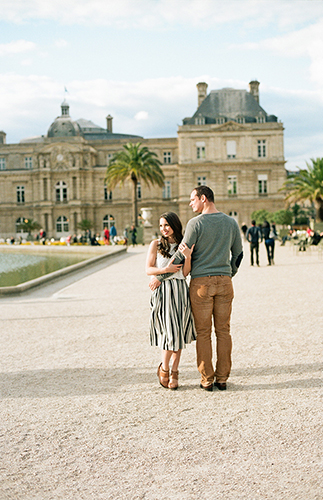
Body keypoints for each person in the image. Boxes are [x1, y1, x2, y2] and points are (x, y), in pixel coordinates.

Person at [150, 186, 243, 391]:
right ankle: (222, 378)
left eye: (193, 199)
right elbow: (238, 254)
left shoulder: (196, 223)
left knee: (203, 333)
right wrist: (230, 273)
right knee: (224, 331)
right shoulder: (230, 223)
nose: (191, 203)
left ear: (203, 198)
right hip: (225, 282)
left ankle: (207, 380)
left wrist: (161, 277)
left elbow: (181, 255)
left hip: (201, 283)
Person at [146, 212, 196, 390]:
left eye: (166, 225)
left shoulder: (184, 245)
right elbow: (148, 269)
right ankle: (165, 368)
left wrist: (188, 256)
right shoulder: (156, 244)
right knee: (169, 332)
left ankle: (175, 371)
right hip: (164, 292)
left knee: (179, 332)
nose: (163, 229)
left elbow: (184, 273)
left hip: (180, 290)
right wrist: (164, 270)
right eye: (161, 226)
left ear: (175, 225)